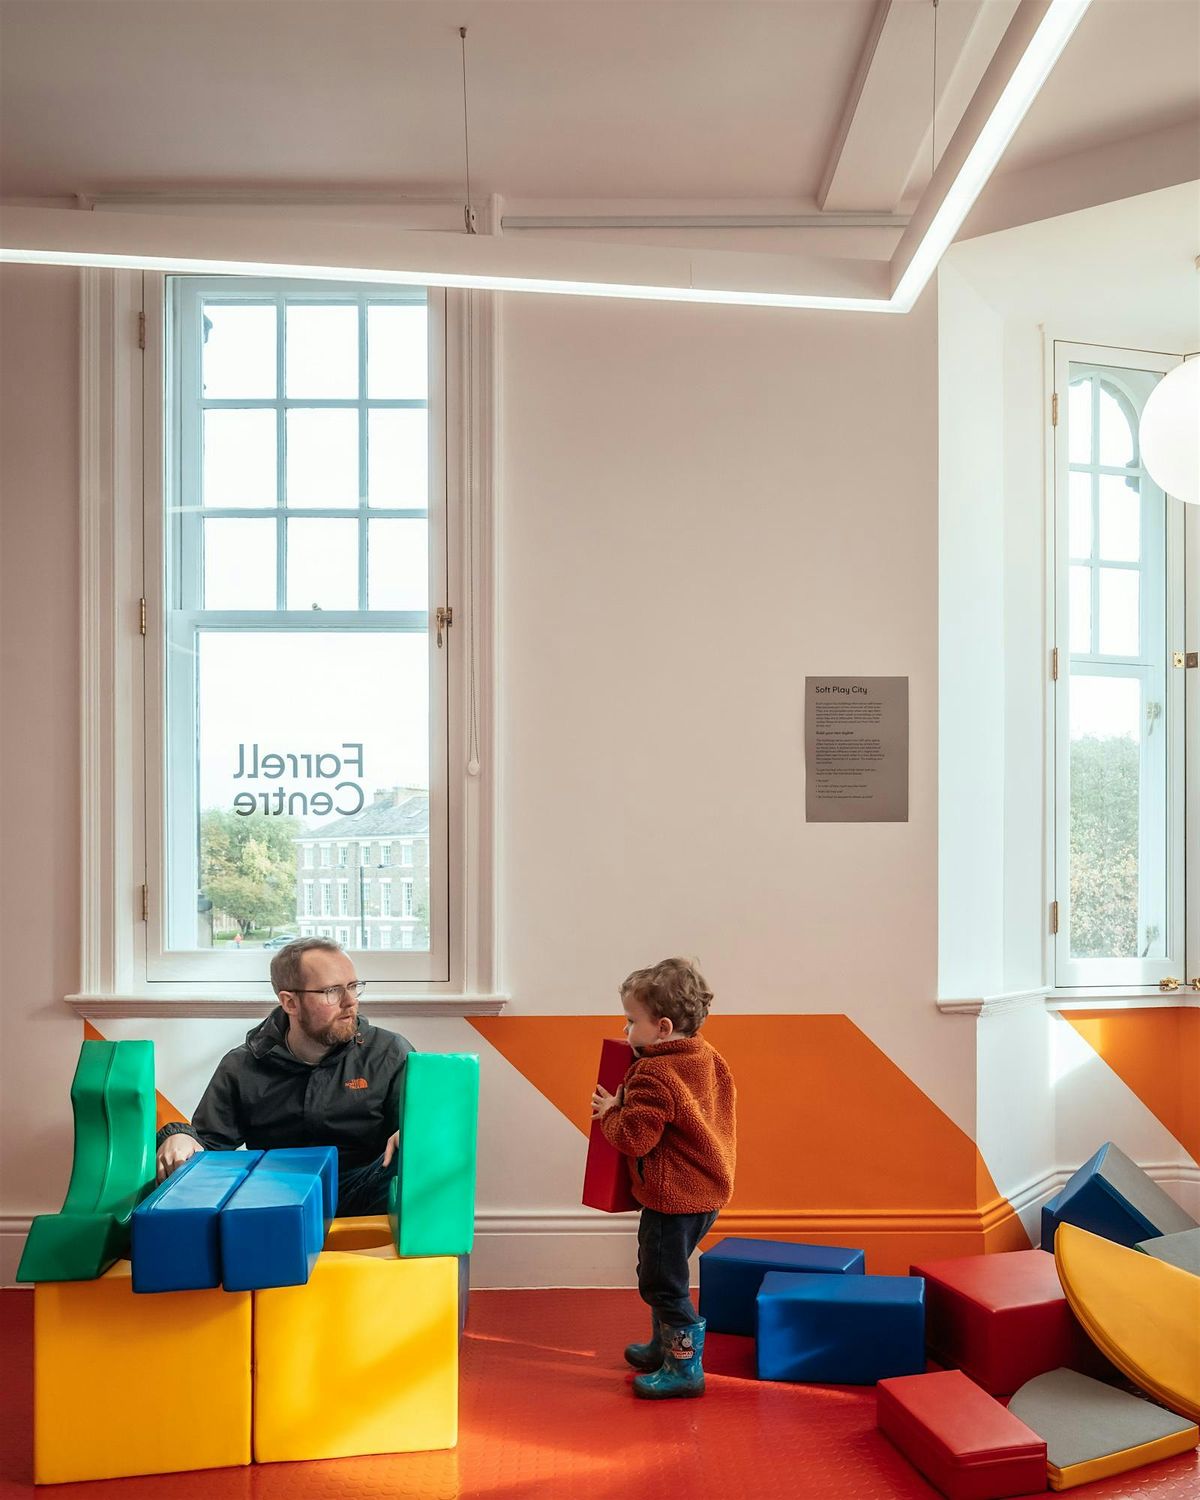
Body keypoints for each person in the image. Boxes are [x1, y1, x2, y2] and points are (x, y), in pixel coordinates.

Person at [155, 937, 412, 1217]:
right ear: (290, 1002)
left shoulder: (388, 1053)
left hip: (364, 1191)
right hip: (274, 1199)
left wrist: (418, 1132)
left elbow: (422, 1130)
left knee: (410, 1155)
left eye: (353, 986)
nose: (350, 1001)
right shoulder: (242, 1066)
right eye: (332, 991)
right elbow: (208, 1150)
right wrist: (178, 1135)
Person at [590, 957, 736, 1400]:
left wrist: (611, 1111)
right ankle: (664, 1347)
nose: (625, 1029)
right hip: (706, 1192)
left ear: (663, 1028)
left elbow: (635, 1138)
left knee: (660, 1282)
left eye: (631, 1021)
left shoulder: (654, 1073)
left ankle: (685, 1367)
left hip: (672, 1199)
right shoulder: (705, 1056)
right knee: (665, 1272)